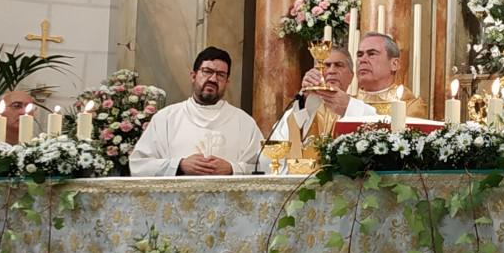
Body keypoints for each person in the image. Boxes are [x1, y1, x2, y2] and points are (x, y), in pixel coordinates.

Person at [129, 47, 264, 176]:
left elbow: (266, 168)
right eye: (207, 71)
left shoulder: (244, 123)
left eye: (220, 75)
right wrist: (179, 165)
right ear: (193, 76)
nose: (213, 79)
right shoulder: (166, 119)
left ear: (227, 82)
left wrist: (232, 169)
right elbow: (138, 165)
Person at [269, 47, 376, 142]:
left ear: (351, 76)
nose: (331, 71)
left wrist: (348, 107)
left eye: (339, 65)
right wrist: (305, 102)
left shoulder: (362, 108)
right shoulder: (300, 109)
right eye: (326, 65)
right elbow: (275, 150)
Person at [354, 33, 427, 118]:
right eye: (359, 55)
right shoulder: (343, 104)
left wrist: (351, 108)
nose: (362, 60)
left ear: (394, 64)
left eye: (372, 54)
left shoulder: (410, 106)